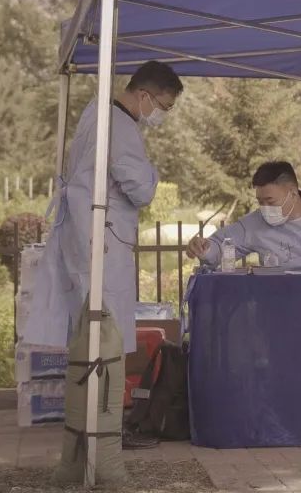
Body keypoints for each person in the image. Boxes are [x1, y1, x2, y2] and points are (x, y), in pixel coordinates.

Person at [26, 61, 183, 354]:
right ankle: (102, 386)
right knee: (106, 335)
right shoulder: (120, 127)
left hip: (82, 231)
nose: (163, 115)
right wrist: (153, 172)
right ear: (144, 95)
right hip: (103, 240)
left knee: (85, 330)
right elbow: (142, 191)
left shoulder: (96, 111)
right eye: (165, 107)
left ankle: (88, 383)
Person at [186, 162, 301, 272]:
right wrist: (204, 248)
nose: (265, 208)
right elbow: (220, 246)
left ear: (293, 193)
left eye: (270, 201)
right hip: (280, 302)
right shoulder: (254, 224)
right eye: (260, 202)